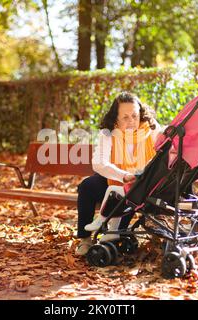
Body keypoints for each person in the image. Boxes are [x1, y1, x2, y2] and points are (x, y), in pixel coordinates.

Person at [75, 92, 165, 256]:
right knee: (88, 186)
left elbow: (166, 146)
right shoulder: (108, 133)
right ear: (115, 118)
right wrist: (123, 175)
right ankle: (85, 239)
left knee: (132, 191)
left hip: (141, 183)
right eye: (125, 117)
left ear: (141, 114)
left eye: (134, 116)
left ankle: (115, 234)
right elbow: (99, 163)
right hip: (115, 179)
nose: (131, 121)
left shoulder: (150, 129)